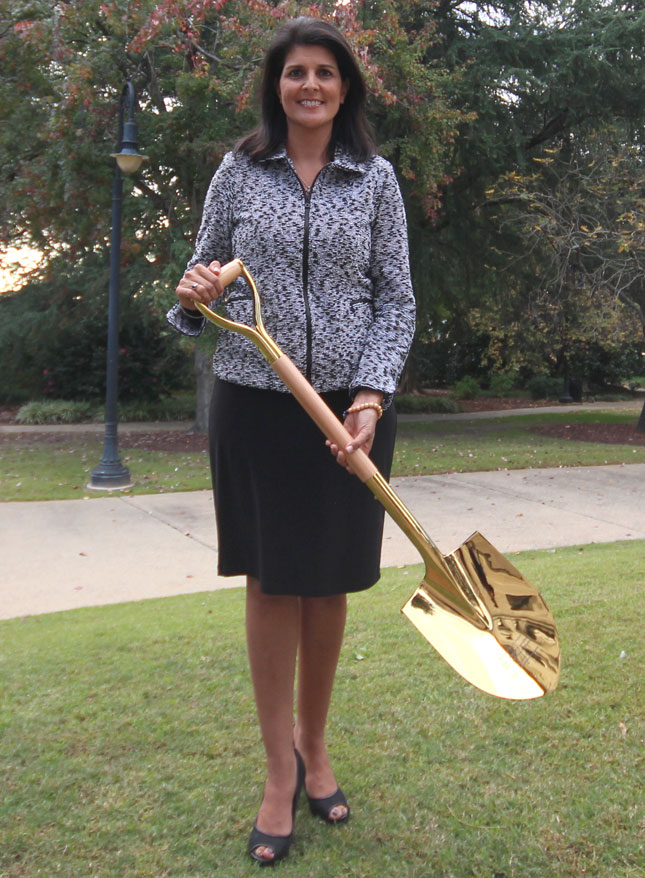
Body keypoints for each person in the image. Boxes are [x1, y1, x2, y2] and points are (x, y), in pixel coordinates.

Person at [167, 16, 415, 865]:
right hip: (256, 404)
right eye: (294, 72)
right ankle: (279, 773)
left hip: (351, 413)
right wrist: (197, 288)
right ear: (276, 87)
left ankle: (318, 748)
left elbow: (397, 299)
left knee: (328, 585)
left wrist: (372, 399)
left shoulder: (374, 179)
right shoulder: (239, 171)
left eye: (324, 72)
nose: (309, 85)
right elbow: (199, 284)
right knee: (274, 584)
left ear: (345, 87)